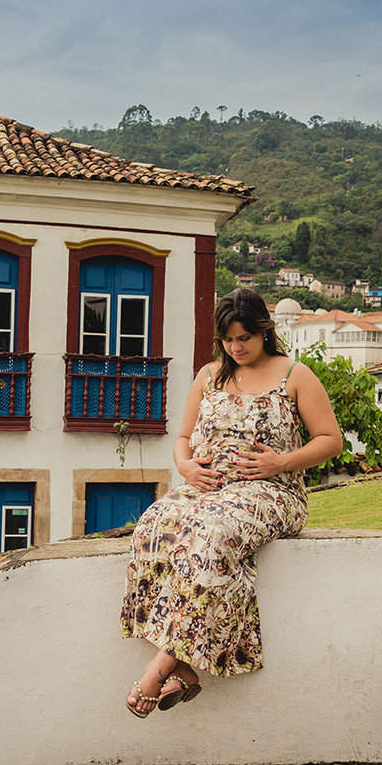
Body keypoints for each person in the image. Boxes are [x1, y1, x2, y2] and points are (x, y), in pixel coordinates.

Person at [120, 288, 343, 718]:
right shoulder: (209, 375)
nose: (236, 348)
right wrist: (186, 469)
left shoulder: (295, 375)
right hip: (205, 490)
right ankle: (184, 669)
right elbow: (182, 439)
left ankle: (161, 665)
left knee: (215, 537)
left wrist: (281, 462)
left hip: (272, 493)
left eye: (245, 338)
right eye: (228, 339)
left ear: (265, 331)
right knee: (154, 525)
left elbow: (330, 440)